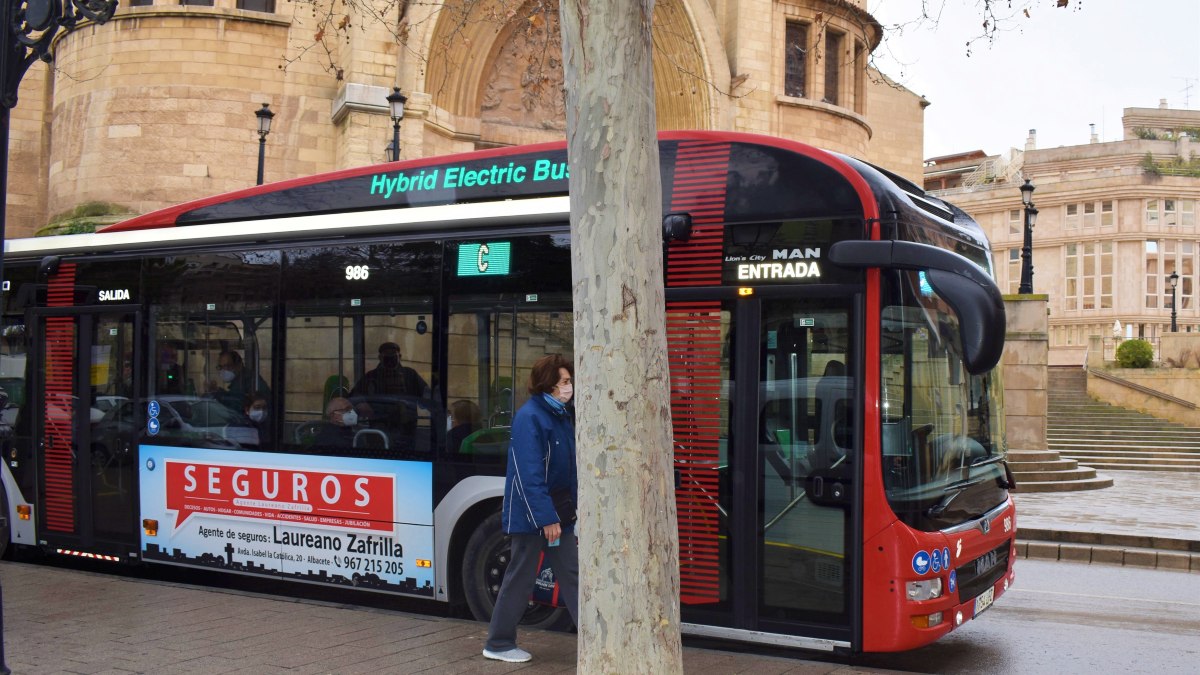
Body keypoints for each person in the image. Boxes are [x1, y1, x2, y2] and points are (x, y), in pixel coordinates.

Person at [483, 354, 578, 664]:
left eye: (569, 381)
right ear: (548, 384)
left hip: (557, 512)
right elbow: (528, 474)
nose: (569, 387)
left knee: (574, 575)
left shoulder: (560, 415)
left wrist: (570, 512)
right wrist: (546, 518)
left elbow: (569, 469)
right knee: (520, 577)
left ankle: (596, 641)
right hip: (534, 517)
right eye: (564, 381)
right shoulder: (531, 418)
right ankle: (498, 643)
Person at [349, 342, 429, 437]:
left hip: (406, 429)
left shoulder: (410, 375)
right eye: (387, 357)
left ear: (400, 356)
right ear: (380, 358)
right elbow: (353, 397)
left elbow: (426, 394)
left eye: (393, 356)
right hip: (379, 429)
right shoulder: (371, 377)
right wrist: (361, 404)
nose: (390, 360)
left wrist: (436, 404)